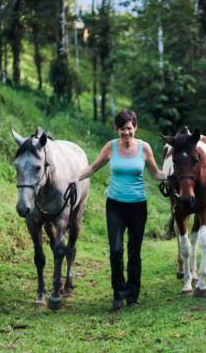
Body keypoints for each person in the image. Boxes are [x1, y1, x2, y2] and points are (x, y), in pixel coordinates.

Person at [69, 109, 167, 310]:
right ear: (117, 129)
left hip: (138, 206)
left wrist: (170, 178)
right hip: (115, 206)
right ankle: (118, 293)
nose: (126, 133)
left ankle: (132, 296)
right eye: (122, 129)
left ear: (135, 128)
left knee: (134, 253)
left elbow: (155, 172)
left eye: (129, 128)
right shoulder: (110, 147)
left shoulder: (145, 148)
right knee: (115, 250)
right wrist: (75, 178)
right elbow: (93, 168)